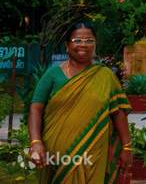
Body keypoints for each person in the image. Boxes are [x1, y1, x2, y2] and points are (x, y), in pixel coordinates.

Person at [28, 21, 132, 182]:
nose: (83, 45)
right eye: (77, 40)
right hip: (56, 157)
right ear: (67, 45)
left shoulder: (106, 76)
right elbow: (36, 108)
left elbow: (118, 113)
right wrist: (35, 142)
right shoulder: (52, 75)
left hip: (94, 154)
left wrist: (126, 146)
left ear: (95, 45)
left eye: (89, 40)